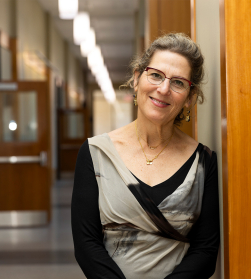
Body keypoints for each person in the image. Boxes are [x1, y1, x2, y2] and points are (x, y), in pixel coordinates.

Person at [71, 33, 220, 279]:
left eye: (178, 83)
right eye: (156, 75)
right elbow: (87, 245)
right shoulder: (95, 153)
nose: (163, 89)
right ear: (136, 78)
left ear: (190, 99)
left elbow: (205, 250)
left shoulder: (203, 162)